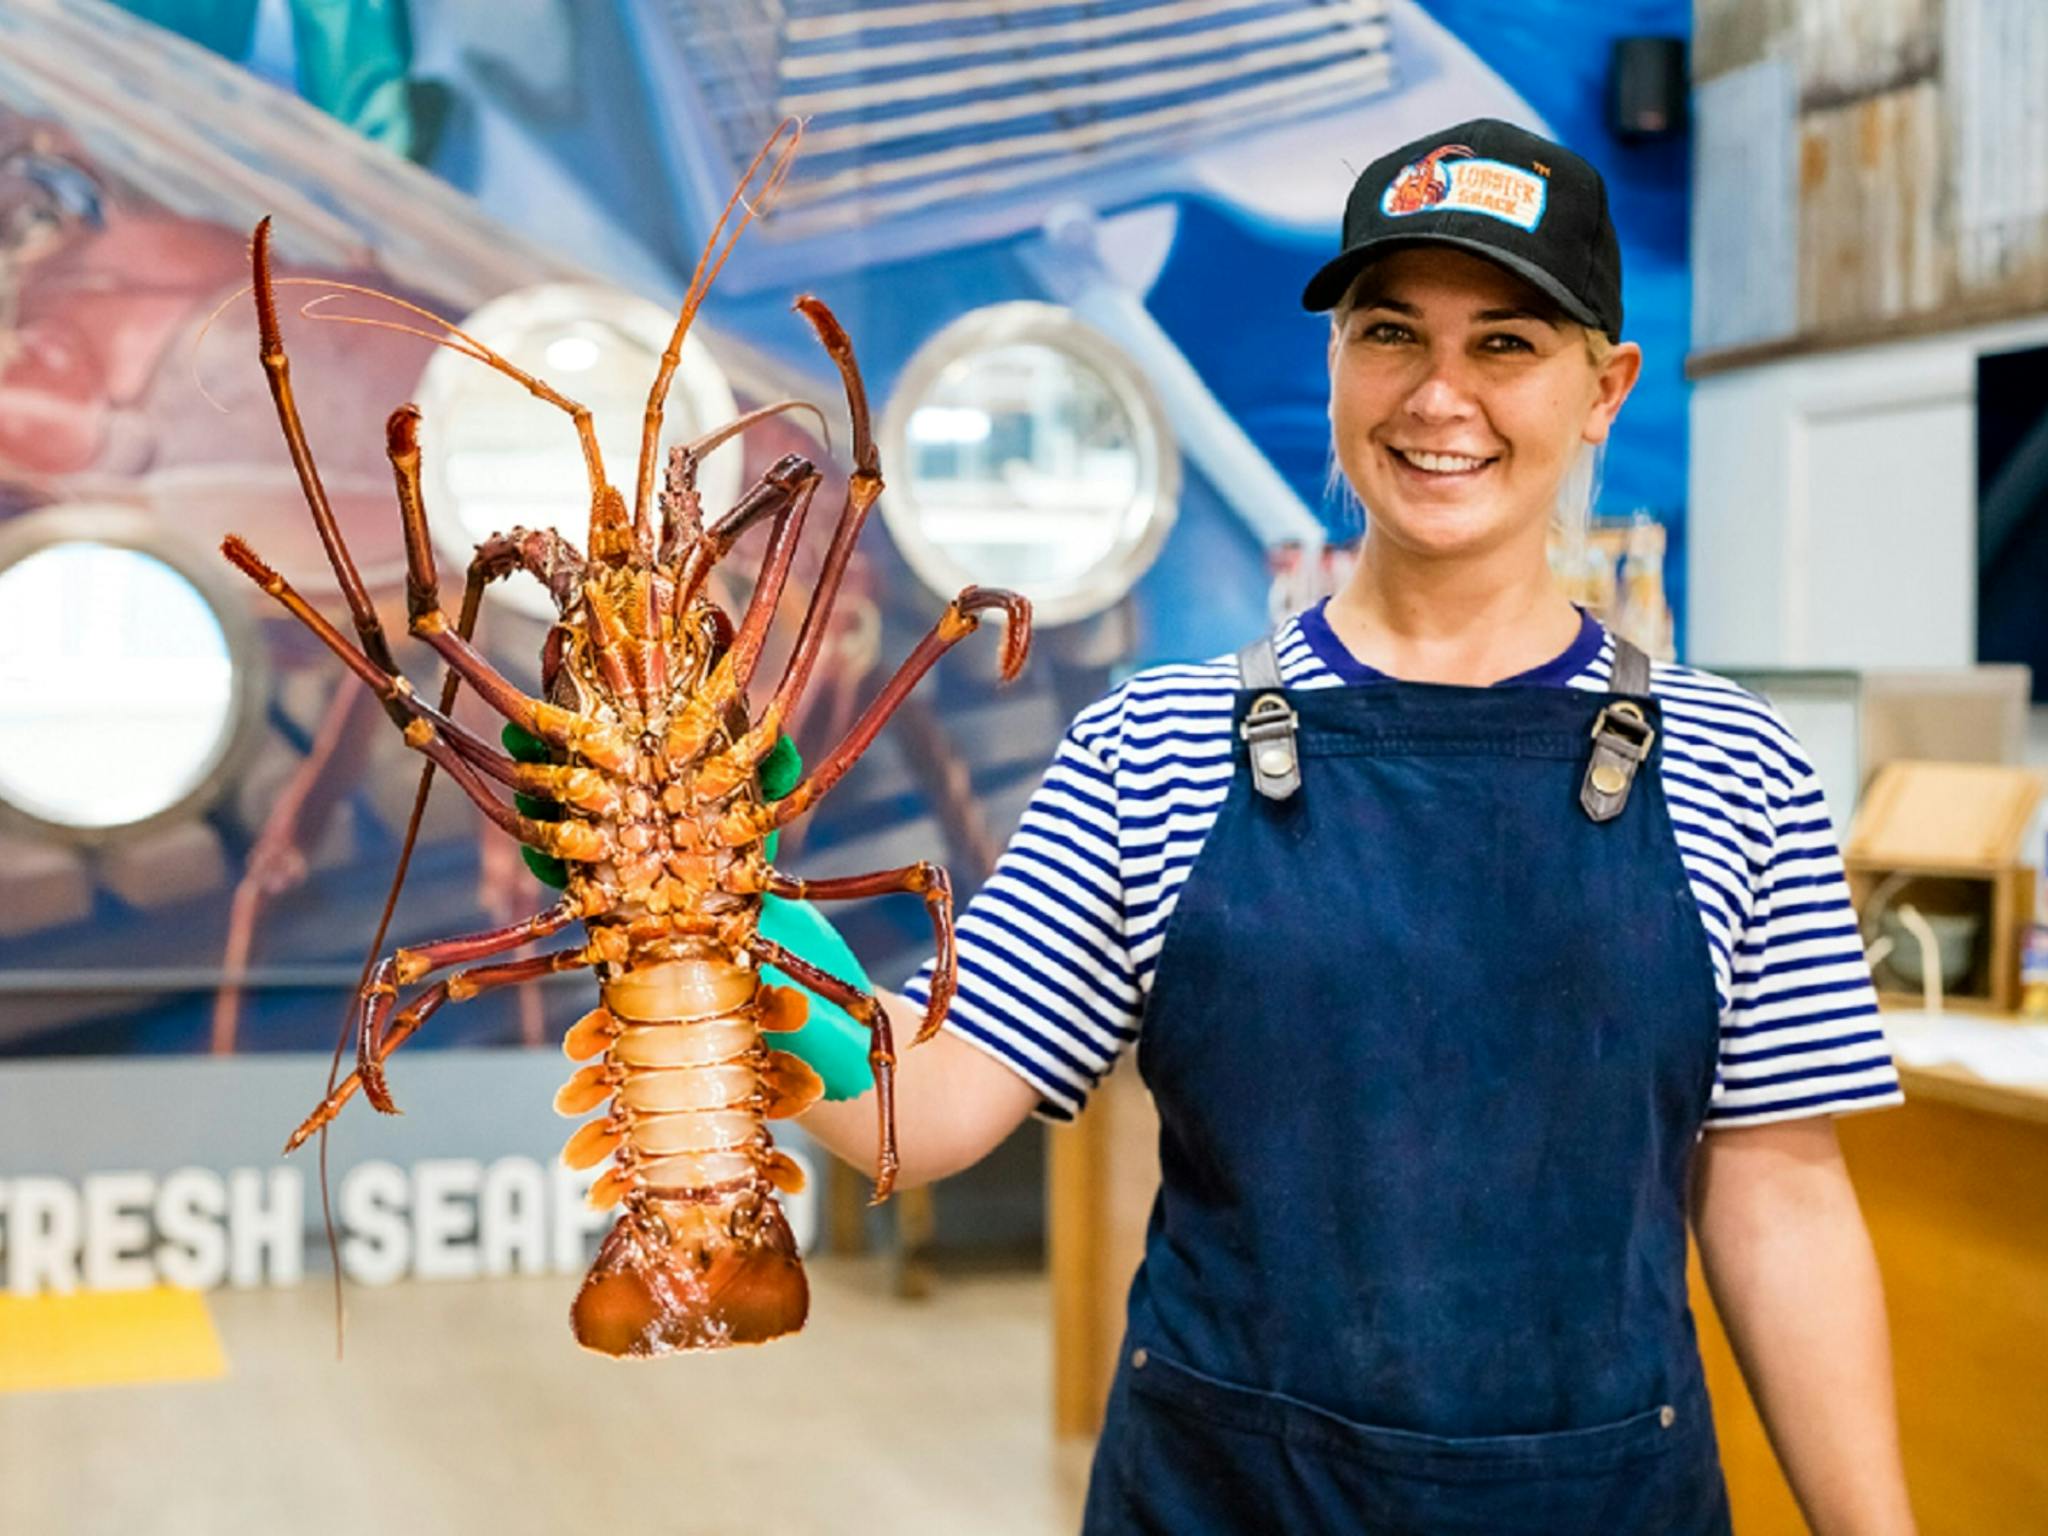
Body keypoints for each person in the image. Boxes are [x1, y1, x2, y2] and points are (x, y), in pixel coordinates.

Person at [797, 119, 1918, 1535]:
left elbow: (1781, 1207)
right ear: (1334, 366)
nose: (1440, 396)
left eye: (1505, 344)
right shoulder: (1152, 748)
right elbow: (936, 1102)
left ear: (1604, 389)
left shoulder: (1734, 764)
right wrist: (718, 931)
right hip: (1226, 1500)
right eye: (1392, 334)